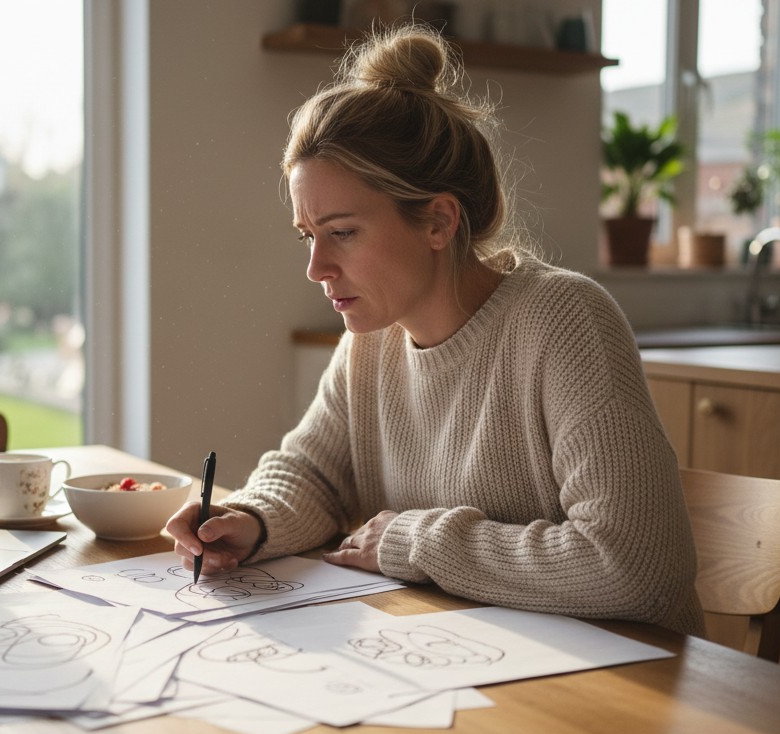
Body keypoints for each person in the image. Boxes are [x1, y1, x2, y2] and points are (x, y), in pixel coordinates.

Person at [165, 23, 705, 636]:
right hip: (476, 657)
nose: (316, 268)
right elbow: (314, 475)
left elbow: (637, 567)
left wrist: (417, 541)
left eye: (341, 232)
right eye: (308, 236)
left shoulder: (564, 322)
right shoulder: (370, 342)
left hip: (628, 687)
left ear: (439, 221)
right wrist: (252, 518)